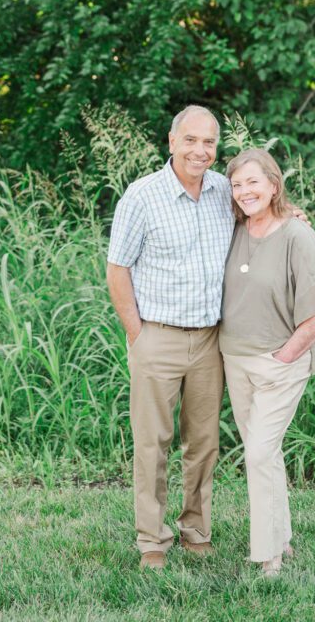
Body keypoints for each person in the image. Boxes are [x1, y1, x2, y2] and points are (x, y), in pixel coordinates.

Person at [106, 105, 232, 570]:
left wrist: (290, 210)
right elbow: (117, 269)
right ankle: (152, 540)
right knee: (152, 442)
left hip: (210, 341)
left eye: (210, 143)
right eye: (192, 140)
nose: (201, 150)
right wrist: (137, 335)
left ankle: (196, 529)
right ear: (172, 141)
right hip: (156, 336)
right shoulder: (142, 196)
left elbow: (265, 206)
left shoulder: (225, 191)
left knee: (203, 442)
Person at [219, 148, 315, 577]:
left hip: (279, 363)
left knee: (259, 453)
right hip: (235, 360)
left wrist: (286, 355)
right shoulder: (232, 227)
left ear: (273, 183)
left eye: (253, 182)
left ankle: (268, 556)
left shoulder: (297, 235)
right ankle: (282, 540)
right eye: (236, 184)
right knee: (264, 454)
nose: (244, 191)